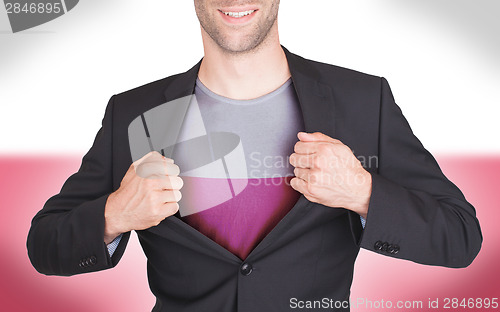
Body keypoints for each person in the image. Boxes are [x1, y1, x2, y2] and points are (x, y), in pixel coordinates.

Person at [27, 1, 482, 311]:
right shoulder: (135, 113)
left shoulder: (362, 100)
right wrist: (114, 214)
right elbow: (44, 245)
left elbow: (460, 236)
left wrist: (363, 192)